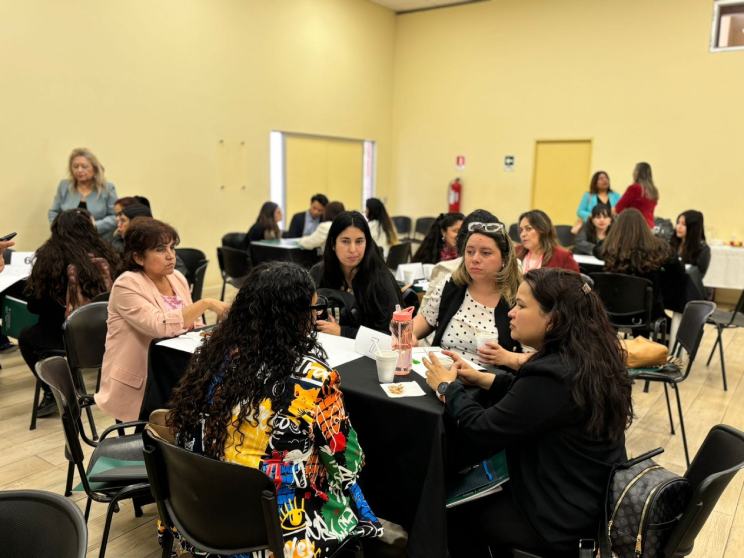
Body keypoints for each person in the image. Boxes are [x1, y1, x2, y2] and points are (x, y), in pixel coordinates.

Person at [167, 262, 382, 557]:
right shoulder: (314, 380)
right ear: (295, 319)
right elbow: (347, 465)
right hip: (279, 531)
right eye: (312, 310)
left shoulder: (212, 357)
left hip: (205, 514)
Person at [423, 269, 633, 556]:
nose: (511, 313)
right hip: (586, 500)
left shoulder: (552, 375)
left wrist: (448, 388)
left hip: (555, 519)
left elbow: (482, 428)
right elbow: (537, 403)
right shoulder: (587, 358)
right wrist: (483, 378)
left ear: (554, 319)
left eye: (521, 306)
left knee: (447, 512)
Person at [95, 218, 229, 421]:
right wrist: (205, 303)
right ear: (139, 258)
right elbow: (159, 326)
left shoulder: (176, 278)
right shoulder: (127, 284)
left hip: (176, 366)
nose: (171, 256)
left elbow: (193, 324)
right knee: (198, 404)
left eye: (172, 248)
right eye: (160, 249)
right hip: (144, 379)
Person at [21, 209, 120, 417]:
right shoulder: (107, 254)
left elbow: (35, 305)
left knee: (27, 337)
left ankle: (54, 391)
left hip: (65, 337)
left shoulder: (50, 259)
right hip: (109, 333)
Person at [414, 221, 522, 367]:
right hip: (442, 374)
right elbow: (426, 319)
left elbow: (539, 358)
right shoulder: (451, 285)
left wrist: (508, 358)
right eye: (469, 252)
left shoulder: (519, 298)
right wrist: (409, 335)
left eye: (485, 253)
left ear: (504, 259)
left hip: (489, 384)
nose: (475, 259)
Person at [310, 211, 402, 338]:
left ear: (367, 243)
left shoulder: (380, 278)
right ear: (332, 244)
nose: (353, 250)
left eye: (359, 241)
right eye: (345, 241)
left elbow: (393, 334)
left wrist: (343, 332)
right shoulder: (318, 273)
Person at [599, 208, 686, 316]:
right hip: (648, 313)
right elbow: (680, 272)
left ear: (616, 228)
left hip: (611, 312)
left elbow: (598, 248)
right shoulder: (659, 249)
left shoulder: (607, 249)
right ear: (644, 227)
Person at [48, 148, 118, 240]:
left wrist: (93, 226)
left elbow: (115, 217)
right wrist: (62, 229)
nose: (79, 170)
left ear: (94, 168)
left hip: (99, 241)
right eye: (75, 166)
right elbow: (53, 212)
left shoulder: (107, 188)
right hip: (68, 240)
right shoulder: (64, 186)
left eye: (84, 166)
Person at [614, 161, 658, 227]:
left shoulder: (634, 188)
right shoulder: (653, 191)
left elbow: (618, 208)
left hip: (634, 226)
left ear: (636, 173)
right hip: (649, 226)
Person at [671, 210, 711, 276]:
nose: (679, 227)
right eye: (678, 223)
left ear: (693, 228)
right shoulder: (673, 243)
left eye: (683, 224)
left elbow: (698, 275)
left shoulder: (703, 250)